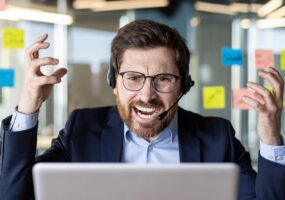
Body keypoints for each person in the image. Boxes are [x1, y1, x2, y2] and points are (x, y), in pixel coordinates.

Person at [0, 19, 284, 200]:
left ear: (184, 85)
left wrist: (271, 136)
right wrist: (28, 107)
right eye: (133, 78)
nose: (147, 95)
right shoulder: (82, 129)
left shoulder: (217, 136)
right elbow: (14, 195)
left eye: (163, 79)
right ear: (114, 82)